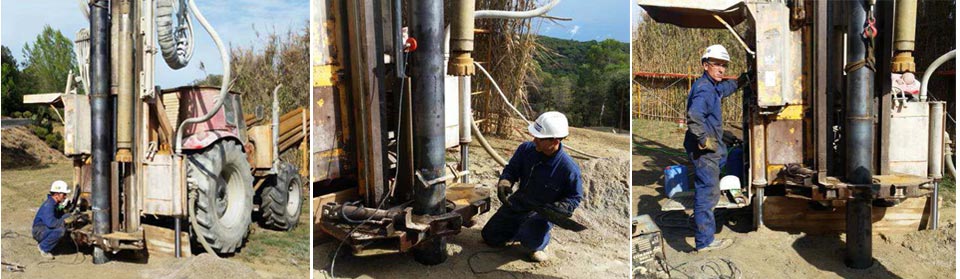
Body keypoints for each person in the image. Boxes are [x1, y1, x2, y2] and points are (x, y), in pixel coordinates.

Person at [481, 111, 583, 262]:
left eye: (540, 139)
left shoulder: (568, 169)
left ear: (554, 141)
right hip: (520, 201)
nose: (534, 140)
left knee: (530, 241)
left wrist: (559, 208)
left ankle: (539, 243)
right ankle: (517, 229)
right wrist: (505, 182)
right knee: (490, 237)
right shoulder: (525, 150)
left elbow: (574, 198)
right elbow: (511, 170)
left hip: (543, 212)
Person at [685, 44, 749, 252]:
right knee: (707, 193)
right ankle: (705, 241)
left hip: (712, 149)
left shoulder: (712, 86)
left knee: (718, 174)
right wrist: (704, 139)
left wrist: (741, 81)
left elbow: (724, 89)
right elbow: (695, 115)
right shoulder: (704, 89)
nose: (721, 69)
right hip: (704, 150)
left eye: (724, 65)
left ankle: (709, 226)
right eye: (717, 65)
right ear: (705, 65)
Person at [33, 180, 73, 259]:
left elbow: (58, 215)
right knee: (60, 230)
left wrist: (68, 214)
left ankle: (50, 243)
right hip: (39, 231)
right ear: (56, 194)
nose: (65, 196)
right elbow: (51, 223)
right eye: (64, 194)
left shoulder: (54, 203)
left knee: (63, 224)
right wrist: (65, 220)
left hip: (43, 228)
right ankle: (43, 248)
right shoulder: (49, 205)